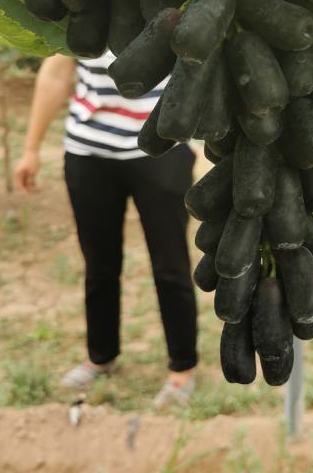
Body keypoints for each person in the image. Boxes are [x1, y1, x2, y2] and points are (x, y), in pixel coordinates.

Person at [14, 53, 198, 408]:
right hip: (88, 149)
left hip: (161, 148)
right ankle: (100, 356)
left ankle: (182, 368)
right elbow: (57, 71)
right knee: (99, 263)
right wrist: (30, 148)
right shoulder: (83, 0)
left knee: (170, 264)